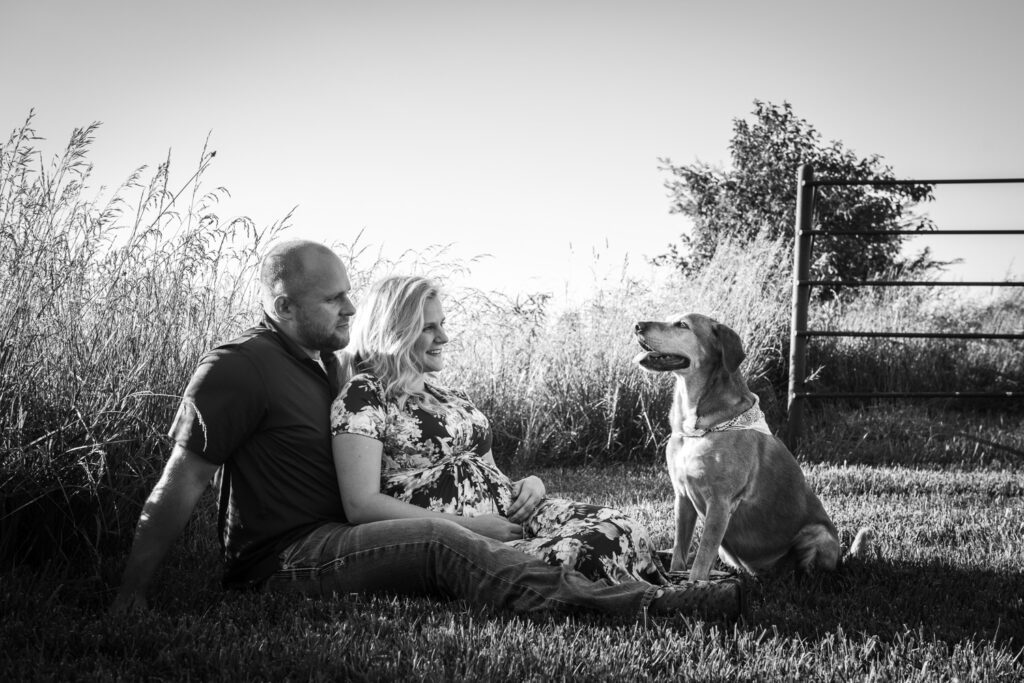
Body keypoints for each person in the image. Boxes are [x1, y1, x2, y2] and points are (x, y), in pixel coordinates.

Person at [111, 239, 742, 621]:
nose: (350, 308)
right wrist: (130, 595)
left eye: (350, 295)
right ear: (282, 306)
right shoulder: (239, 367)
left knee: (589, 524)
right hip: (290, 555)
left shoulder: (325, 364)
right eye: (333, 299)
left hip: (351, 531)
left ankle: (663, 576)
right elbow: (182, 480)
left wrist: (519, 486)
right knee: (443, 541)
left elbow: (401, 397)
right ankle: (644, 606)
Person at [331, 275, 666, 586]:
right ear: (395, 332)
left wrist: (529, 485)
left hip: (510, 517)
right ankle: (651, 595)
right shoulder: (365, 393)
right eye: (428, 328)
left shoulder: (451, 396)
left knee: (622, 526)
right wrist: (471, 529)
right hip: (462, 541)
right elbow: (361, 504)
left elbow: (489, 473)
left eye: (442, 324)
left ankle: (647, 584)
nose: (443, 337)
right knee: (590, 550)